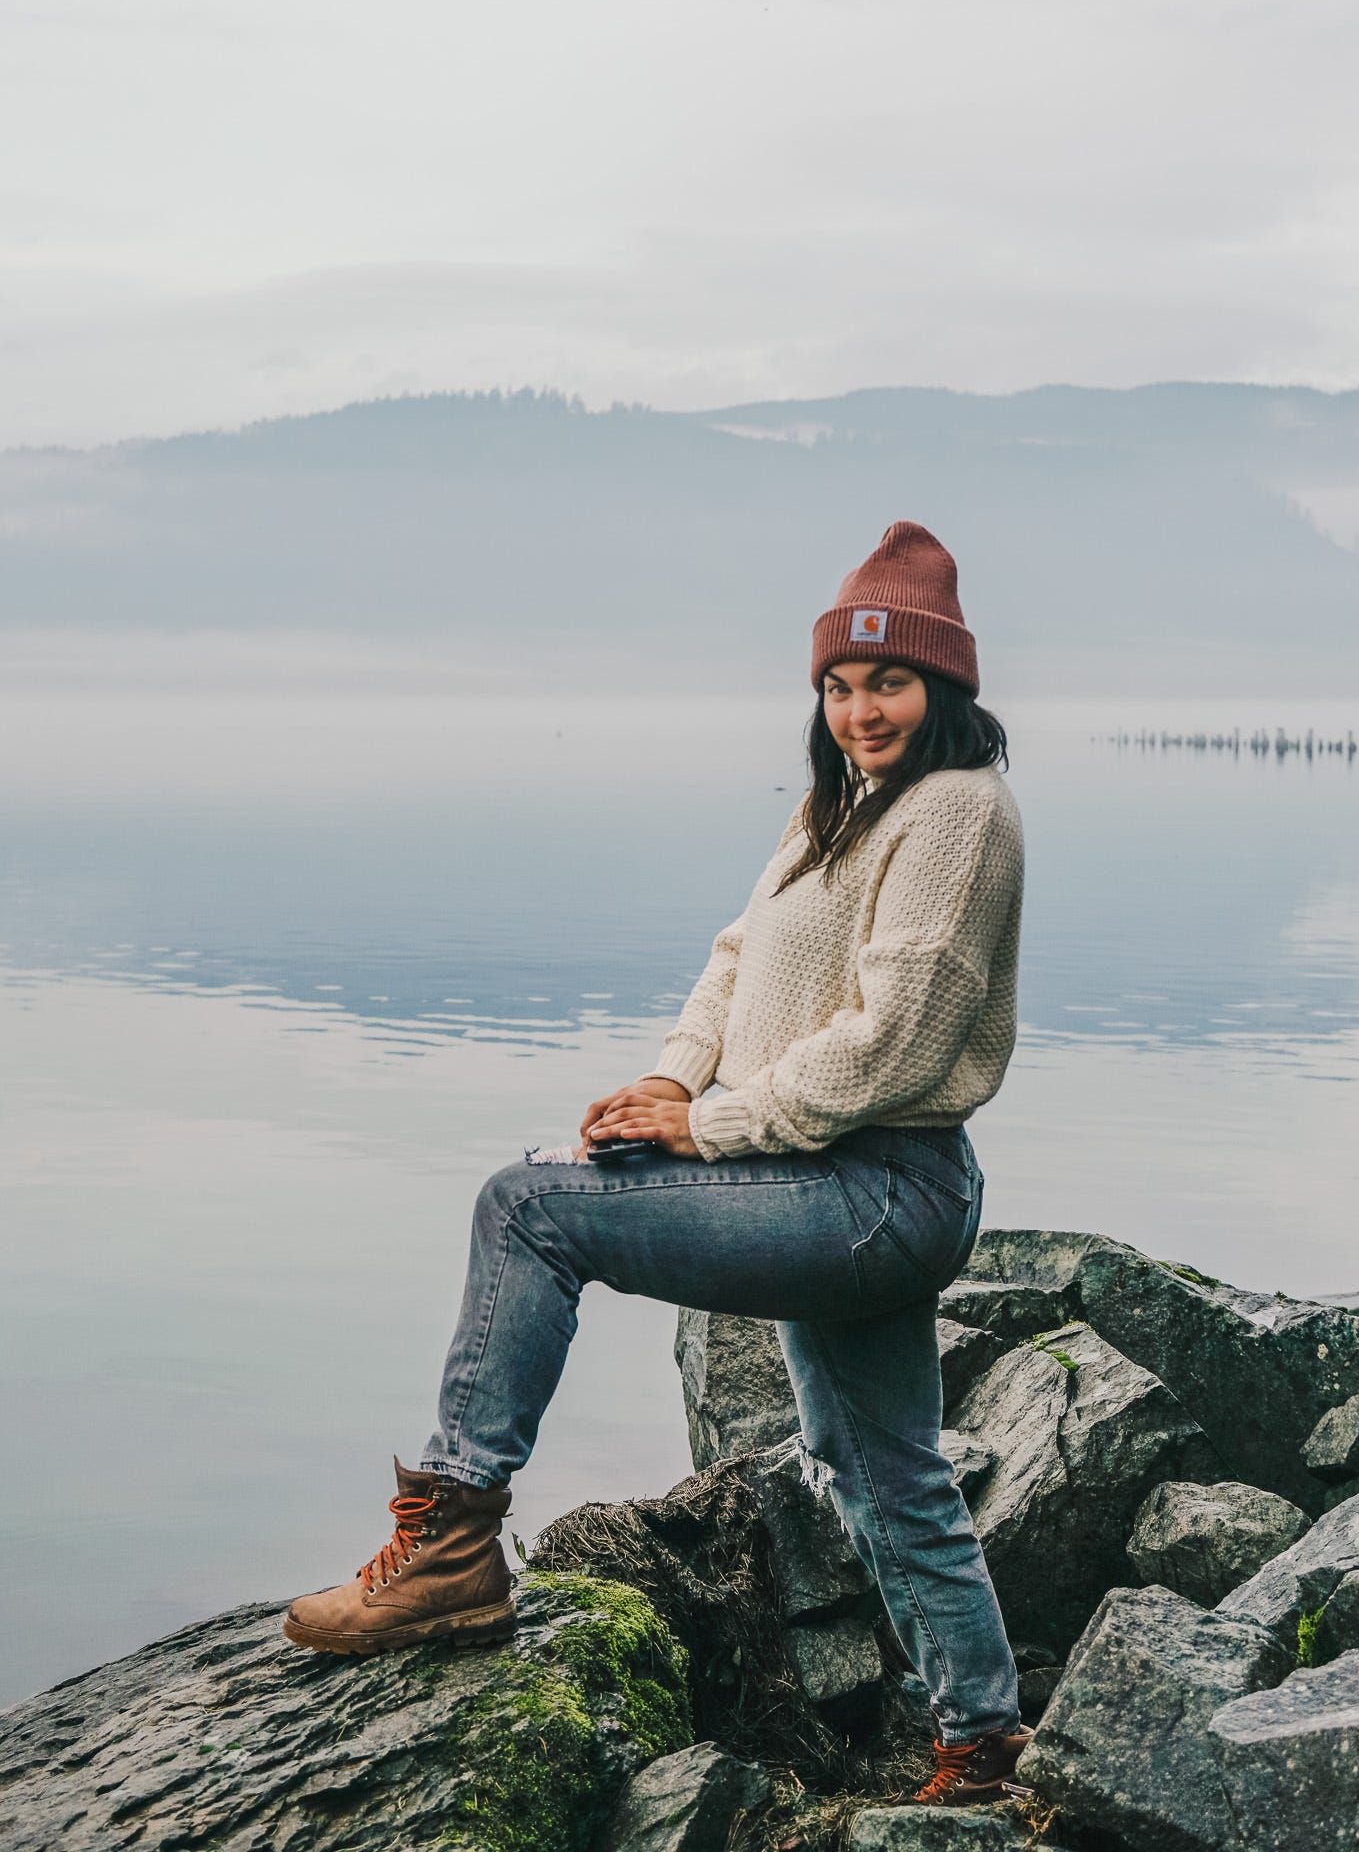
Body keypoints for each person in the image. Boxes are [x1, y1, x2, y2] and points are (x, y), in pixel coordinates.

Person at [283, 520, 1031, 1808]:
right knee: (881, 1470)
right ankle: (981, 1741)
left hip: (876, 1188)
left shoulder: (960, 813)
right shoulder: (843, 805)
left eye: (890, 683)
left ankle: (454, 1543)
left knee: (529, 1212)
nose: (861, 711)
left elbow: (893, 1045)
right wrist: (676, 1074)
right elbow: (740, 954)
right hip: (840, 1179)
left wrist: (708, 1129)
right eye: (840, 688)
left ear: (947, 687)